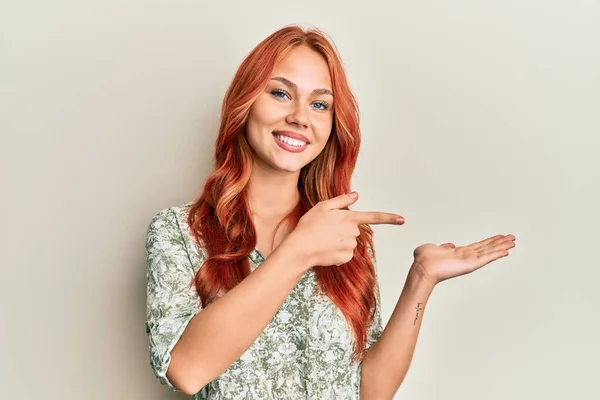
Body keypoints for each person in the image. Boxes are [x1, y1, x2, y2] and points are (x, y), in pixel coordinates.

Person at [144, 24, 516, 400]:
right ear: (246, 102)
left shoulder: (344, 235)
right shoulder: (179, 231)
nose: (300, 117)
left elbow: (370, 391)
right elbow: (186, 370)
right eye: (280, 93)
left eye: (319, 104)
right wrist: (300, 249)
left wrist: (422, 280)